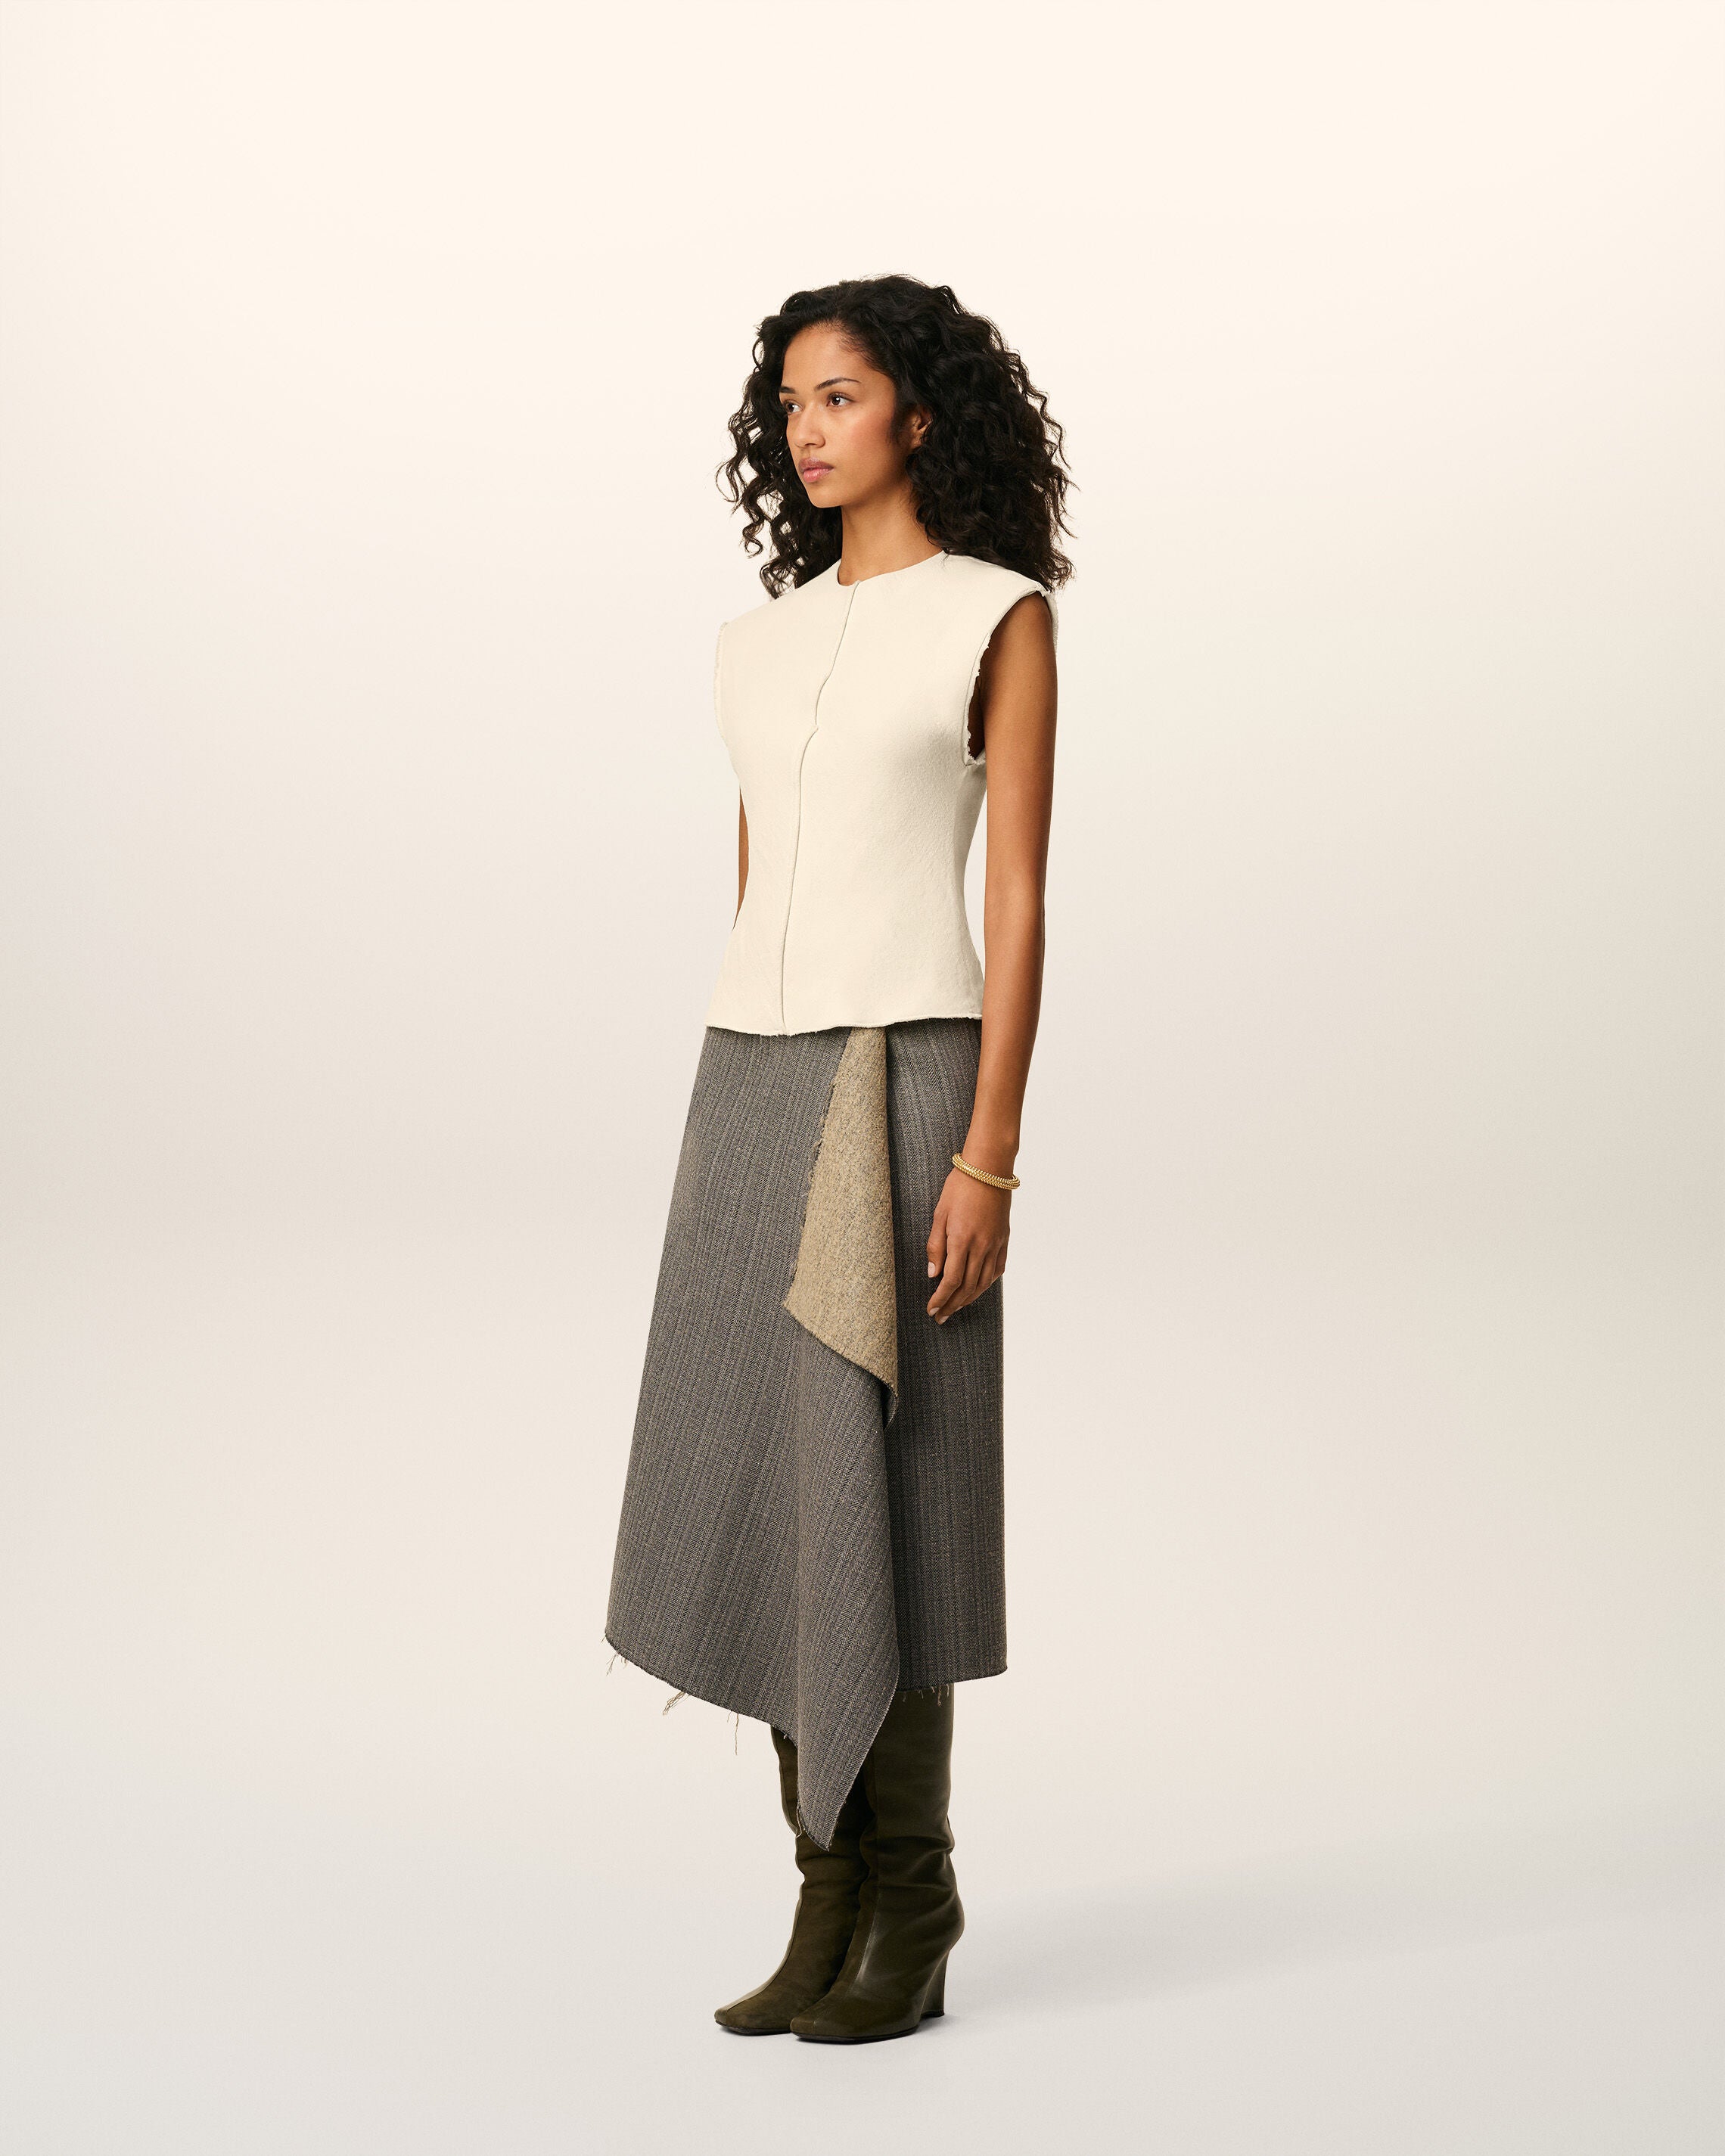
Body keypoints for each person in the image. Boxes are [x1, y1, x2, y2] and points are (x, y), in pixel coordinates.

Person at [605, 273, 1070, 2043]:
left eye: (843, 396)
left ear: (919, 415)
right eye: (790, 400)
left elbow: (1016, 899)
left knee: (897, 1484)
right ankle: (826, 1892)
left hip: (911, 1071)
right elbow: (760, 877)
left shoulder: (995, 616)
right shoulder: (760, 642)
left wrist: (991, 1154)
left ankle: (914, 1896)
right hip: (752, 1083)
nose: (808, 428)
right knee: (772, 1481)